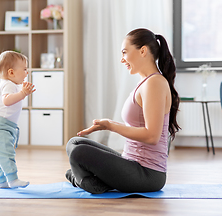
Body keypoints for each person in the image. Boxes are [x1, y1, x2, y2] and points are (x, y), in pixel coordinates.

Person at [65, 28, 180, 194]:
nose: (122, 59)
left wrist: (111, 126)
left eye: (125, 52)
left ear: (143, 51)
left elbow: (151, 136)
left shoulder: (155, 83)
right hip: (131, 162)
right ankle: (89, 180)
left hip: (148, 174)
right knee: (75, 143)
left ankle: (83, 181)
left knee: (78, 153)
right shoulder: (146, 82)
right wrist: (108, 124)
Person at [0, 51, 36, 189]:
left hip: (0, 126)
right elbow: (6, 101)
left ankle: (1, 182)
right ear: (11, 73)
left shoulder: (11, 84)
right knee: (6, 154)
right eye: (24, 69)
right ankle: (13, 179)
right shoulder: (8, 85)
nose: (27, 72)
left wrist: (22, 92)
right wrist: (23, 93)